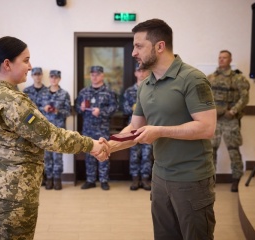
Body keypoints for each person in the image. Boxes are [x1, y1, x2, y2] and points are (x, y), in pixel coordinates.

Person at [0, 36, 109, 240]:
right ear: (7, 64)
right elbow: (51, 137)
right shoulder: (12, 100)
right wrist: (91, 144)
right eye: (26, 60)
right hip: (13, 193)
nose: (30, 66)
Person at [108, 19, 217, 240]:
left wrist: (160, 131)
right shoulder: (145, 85)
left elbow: (206, 128)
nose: (133, 53)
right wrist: (109, 146)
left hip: (191, 179)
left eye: (139, 46)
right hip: (160, 177)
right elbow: (136, 128)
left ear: (159, 46)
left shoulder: (192, 79)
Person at [207, 50, 250, 192]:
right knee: (210, 150)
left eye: (224, 58)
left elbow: (244, 98)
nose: (221, 60)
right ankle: (210, 180)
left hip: (230, 119)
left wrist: (233, 111)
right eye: (219, 57)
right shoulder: (210, 78)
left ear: (230, 60)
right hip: (215, 120)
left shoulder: (238, 78)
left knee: (233, 150)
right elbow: (204, 97)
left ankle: (236, 179)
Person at [75, 65, 118, 191]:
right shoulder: (84, 92)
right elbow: (77, 109)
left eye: (97, 74)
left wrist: (102, 112)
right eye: (92, 75)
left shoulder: (109, 92)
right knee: (89, 154)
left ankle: (104, 180)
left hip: (102, 128)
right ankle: (90, 180)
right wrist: (81, 108)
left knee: (103, 152)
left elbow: (114, 108)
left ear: (102, 75)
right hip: (88, 128)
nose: (94, 77)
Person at [36, 70, 71, 190]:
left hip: (58, 130)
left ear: (59, 79)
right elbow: (35, 111)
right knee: (47, 156)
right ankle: (49, 179)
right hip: (45, 130)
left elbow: (68, 112)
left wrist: (58, 111)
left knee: (58, 156)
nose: (54, 79)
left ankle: (57, 179)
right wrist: (43, 108)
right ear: (49, 79)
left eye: (56, 77)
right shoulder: (43, 93)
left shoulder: (64, 94)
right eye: (52, 77)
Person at [123, 64, 153, 191]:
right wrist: (134, 109)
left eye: (144, 70)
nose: (141, 73)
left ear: (148, 72)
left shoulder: (152, 89)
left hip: (148, 126)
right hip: (133, 127)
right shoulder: (129, 91)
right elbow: (124, 109)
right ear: (135, 73)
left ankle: (145, 179)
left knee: (147, 154)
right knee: (134, 154)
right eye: (139, 71)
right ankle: (135, 179)